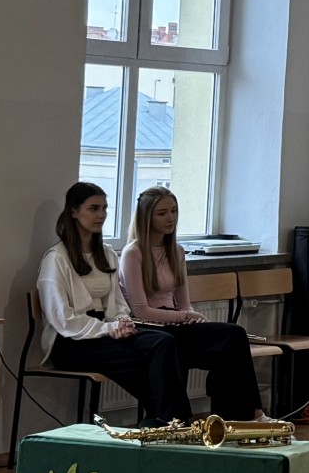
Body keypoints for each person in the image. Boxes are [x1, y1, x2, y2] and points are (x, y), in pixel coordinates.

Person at [37, 182, 192, 426]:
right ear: (74, 212)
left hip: (105, 332)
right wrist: (110, 328)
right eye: (93, 208)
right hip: (71, 342)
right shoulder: (56, 258)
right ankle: (172, 422)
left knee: (165, 342)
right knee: (152, 360)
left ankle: (165, 421)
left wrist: (122, 322)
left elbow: (118, 304)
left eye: (105, 208)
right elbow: (64, 320)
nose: (101, 215)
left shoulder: (107, 253)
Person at [119, 186, 271, 422]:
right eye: (162, 213)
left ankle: (240, 416)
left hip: (174, 323)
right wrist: (184, 317)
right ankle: (245, 415)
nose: (170, 218)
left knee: (233, 336)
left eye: (174, 211)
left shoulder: (177, 251)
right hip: (149, 328)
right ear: (146, 217)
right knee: (202, 345)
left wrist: (192, 316)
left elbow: (184, 303)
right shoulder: (133, 253)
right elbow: (140, 311)